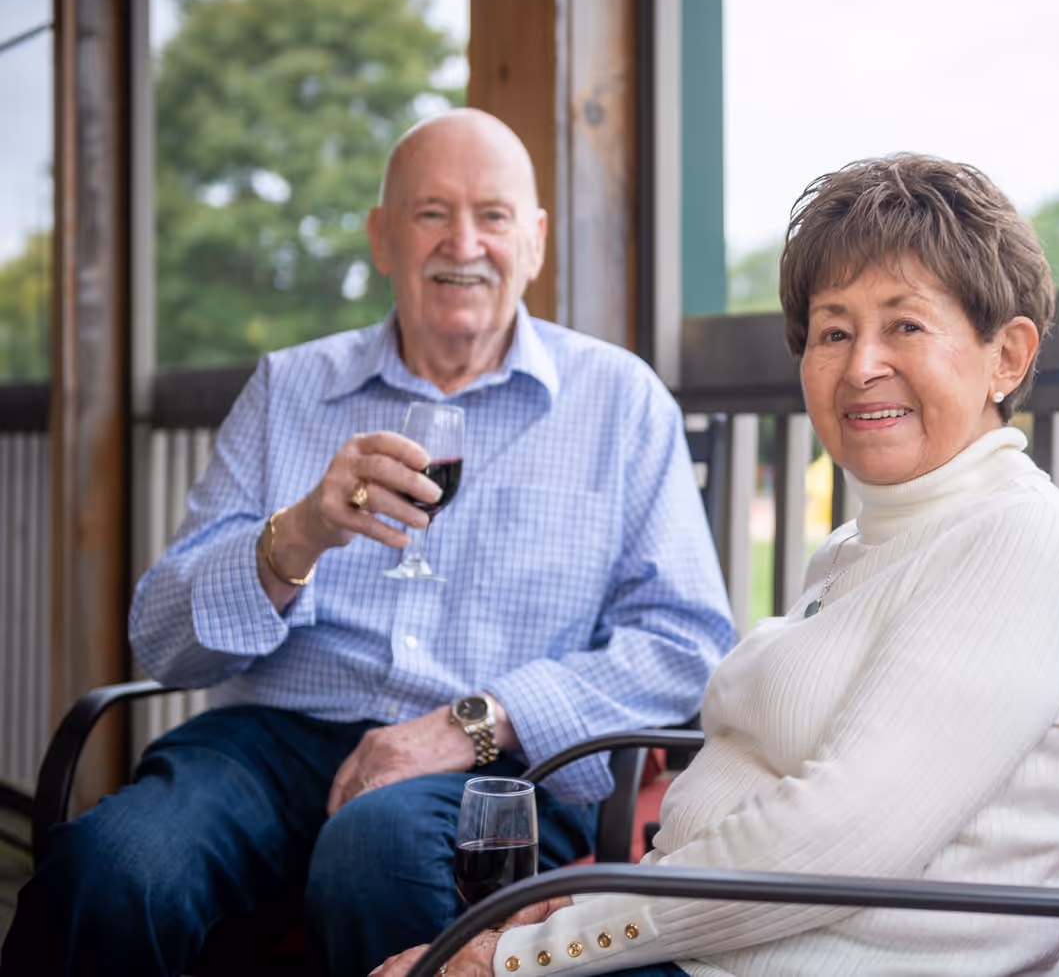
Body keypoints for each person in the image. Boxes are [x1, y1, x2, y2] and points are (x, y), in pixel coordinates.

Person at [1, 109, 736, 977]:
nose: (462, 241)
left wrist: (480, 720)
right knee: (109, 871)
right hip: (272, 745)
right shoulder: (289, 388)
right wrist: (300, 531)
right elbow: (159, 636)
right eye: (430, 212)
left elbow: (686, 644)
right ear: (381, 236)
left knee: (377, 846)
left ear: (533, 242)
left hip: (497, 770)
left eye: (492, 215)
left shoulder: (619, 400)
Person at [374, 153, 1059, 977]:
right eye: (834, 330)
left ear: (1006, 356)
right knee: (385, 872)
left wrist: (523, 957)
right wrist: (589, 907)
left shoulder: (1028, 537)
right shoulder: (858, 544)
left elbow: (840, 838)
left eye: (904, 324)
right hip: (716, 948)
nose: (861, 362)